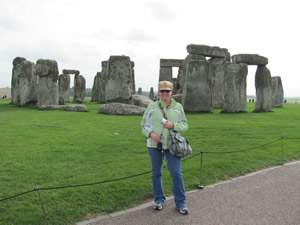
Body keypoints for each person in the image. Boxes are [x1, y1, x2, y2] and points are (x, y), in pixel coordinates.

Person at [141, 80, 189, 214]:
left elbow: (185, 125)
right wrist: (151, 134)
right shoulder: (152, 106)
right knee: (156, 172)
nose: (164, 93)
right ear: (159, 92)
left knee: (176, 173)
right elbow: (143, 125)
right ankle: (159, 200)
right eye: (162, 91)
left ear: (171, 92)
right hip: (154, 144)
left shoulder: (178, 107)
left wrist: (173, 125)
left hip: (172, 145)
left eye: (167, 91)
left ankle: (181, 203)